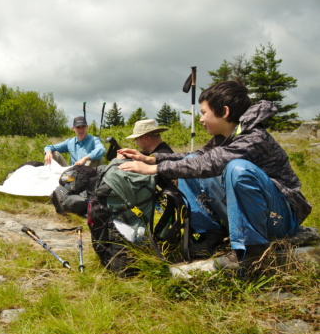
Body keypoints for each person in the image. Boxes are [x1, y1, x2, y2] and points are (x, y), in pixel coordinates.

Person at [117, 80, 312, 273]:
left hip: (281, 218)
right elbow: (196, 158)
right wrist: (152, 159)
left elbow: (209, 164)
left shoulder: (254, 137)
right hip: (261, 212)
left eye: (203, 113)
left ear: (224, 111)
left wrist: (155, 170)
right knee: (190, 163)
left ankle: (251, 252)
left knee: (238, 169)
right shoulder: (227, 136)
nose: (200, 119)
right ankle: (209, 235)